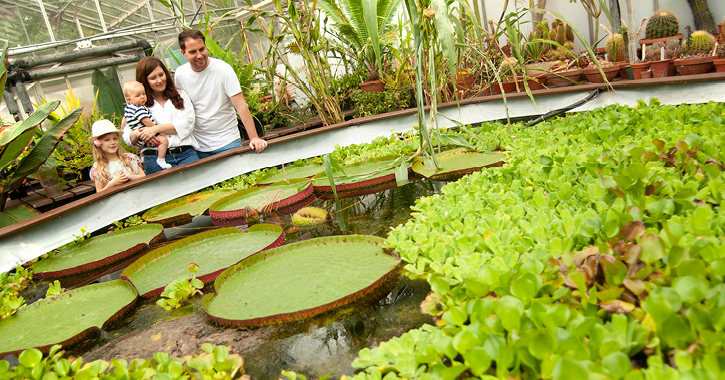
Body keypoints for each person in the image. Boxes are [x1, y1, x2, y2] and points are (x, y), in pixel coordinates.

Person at [175, 29, 268, 158]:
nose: (199, 55)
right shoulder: (180, 74)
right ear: (183, 53)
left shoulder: (223, 69)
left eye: (202, 49)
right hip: (199, 145)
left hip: (228, 140)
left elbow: (240, 105)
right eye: (192, 52)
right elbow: (181, 108)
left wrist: (254, 137)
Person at [122, 57, 201, 174]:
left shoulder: (180, 95)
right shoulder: (138, 103)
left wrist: (155, 129)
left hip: (186, 155)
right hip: (153, 159)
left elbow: (187, 124)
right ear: (144, 80)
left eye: (161, 75)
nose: (159, 80)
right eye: (153, 78)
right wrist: (138, 133)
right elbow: (127, 135)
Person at [122, 80, 172, 170]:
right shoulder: (139, 108)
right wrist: (155, 129)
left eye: (143, 94)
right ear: (129, 99)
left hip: (139, 137)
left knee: (143, 146)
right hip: (146, 134)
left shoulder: (129, 108)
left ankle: (142, 158)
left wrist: (122, 130)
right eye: (138, 95)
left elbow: (124, 121)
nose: (142, 97)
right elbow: (146, 121)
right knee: (163, 141)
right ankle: (161, 160)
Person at [90, 119, 145, 193]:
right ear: (99, 143)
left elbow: (144, 177)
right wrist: (111, 184)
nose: (112, 142)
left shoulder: (129, 158)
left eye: (115, 138)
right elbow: (99, 193)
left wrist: (130, 176)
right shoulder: (98, 167)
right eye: (107, 140)